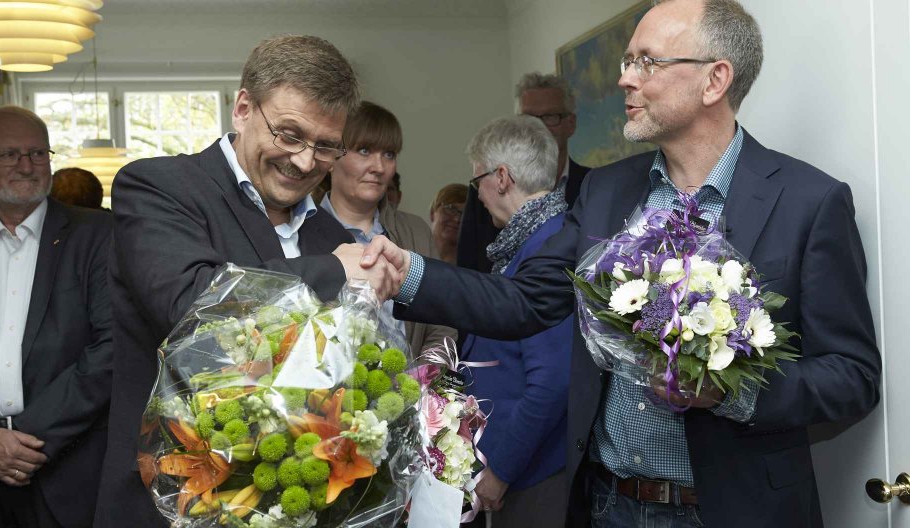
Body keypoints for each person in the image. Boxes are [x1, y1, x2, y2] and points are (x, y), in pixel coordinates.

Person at [362, 1, 881, 526]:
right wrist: (409, 273)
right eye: (626, 61)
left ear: (714, 80)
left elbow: (851, 375)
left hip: (733, 509)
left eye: (645, 62)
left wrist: (733, 392)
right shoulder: (607, 192)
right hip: (609, 505)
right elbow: (528, 297)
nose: (624, 80)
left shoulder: (808, 202)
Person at [95, 35, 400, 527]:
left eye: (325, 146)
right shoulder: (159, 187)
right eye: (289, 134)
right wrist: (333, 272)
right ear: (242, 108)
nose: (305, 162)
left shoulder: (331, 235)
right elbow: (191, 304)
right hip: (169, 502)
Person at [0, 106, 113, 527]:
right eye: (8, 155)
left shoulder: (101, 235)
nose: (26, 166)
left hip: (69, 470)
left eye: (37, 153)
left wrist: (22, 441)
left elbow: (111, 349)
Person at [459, 115, 572, 527]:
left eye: (478, 183)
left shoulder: (547, 250)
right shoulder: (529, 241)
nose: (480, 196)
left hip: (534, 475)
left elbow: (551, 382)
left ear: (501, 177)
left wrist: (501, 470)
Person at [324, 101, 455, 354]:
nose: (379, 167)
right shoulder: (299, 229)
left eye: (389, 154)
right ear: (332, 156)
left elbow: (443, 323)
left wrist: (427, 384)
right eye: (364, 150)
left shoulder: (416, 231)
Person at [457, 72, 591, 273]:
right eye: (528, 117)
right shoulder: (483, 190)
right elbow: (467, 268)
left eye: (550, 116)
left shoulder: (594, 186)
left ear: (570, 124)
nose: (537, 126)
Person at [429, 183, 466, 264]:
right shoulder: (413, 252)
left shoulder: (476, 267)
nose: (457, 219)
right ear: (432, 213)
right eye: (451, 209)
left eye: (465, 213)